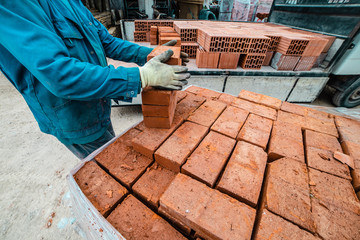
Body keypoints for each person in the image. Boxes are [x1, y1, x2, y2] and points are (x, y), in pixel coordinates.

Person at [0, 0, 190, 159]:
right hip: (73, 115)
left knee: (112, 152)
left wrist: (152, 54)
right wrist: (141, 76)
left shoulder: (69, 2)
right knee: (111, 170)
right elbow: (58, 74)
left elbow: (107, 42)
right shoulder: (15, 4)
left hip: (98, 99)